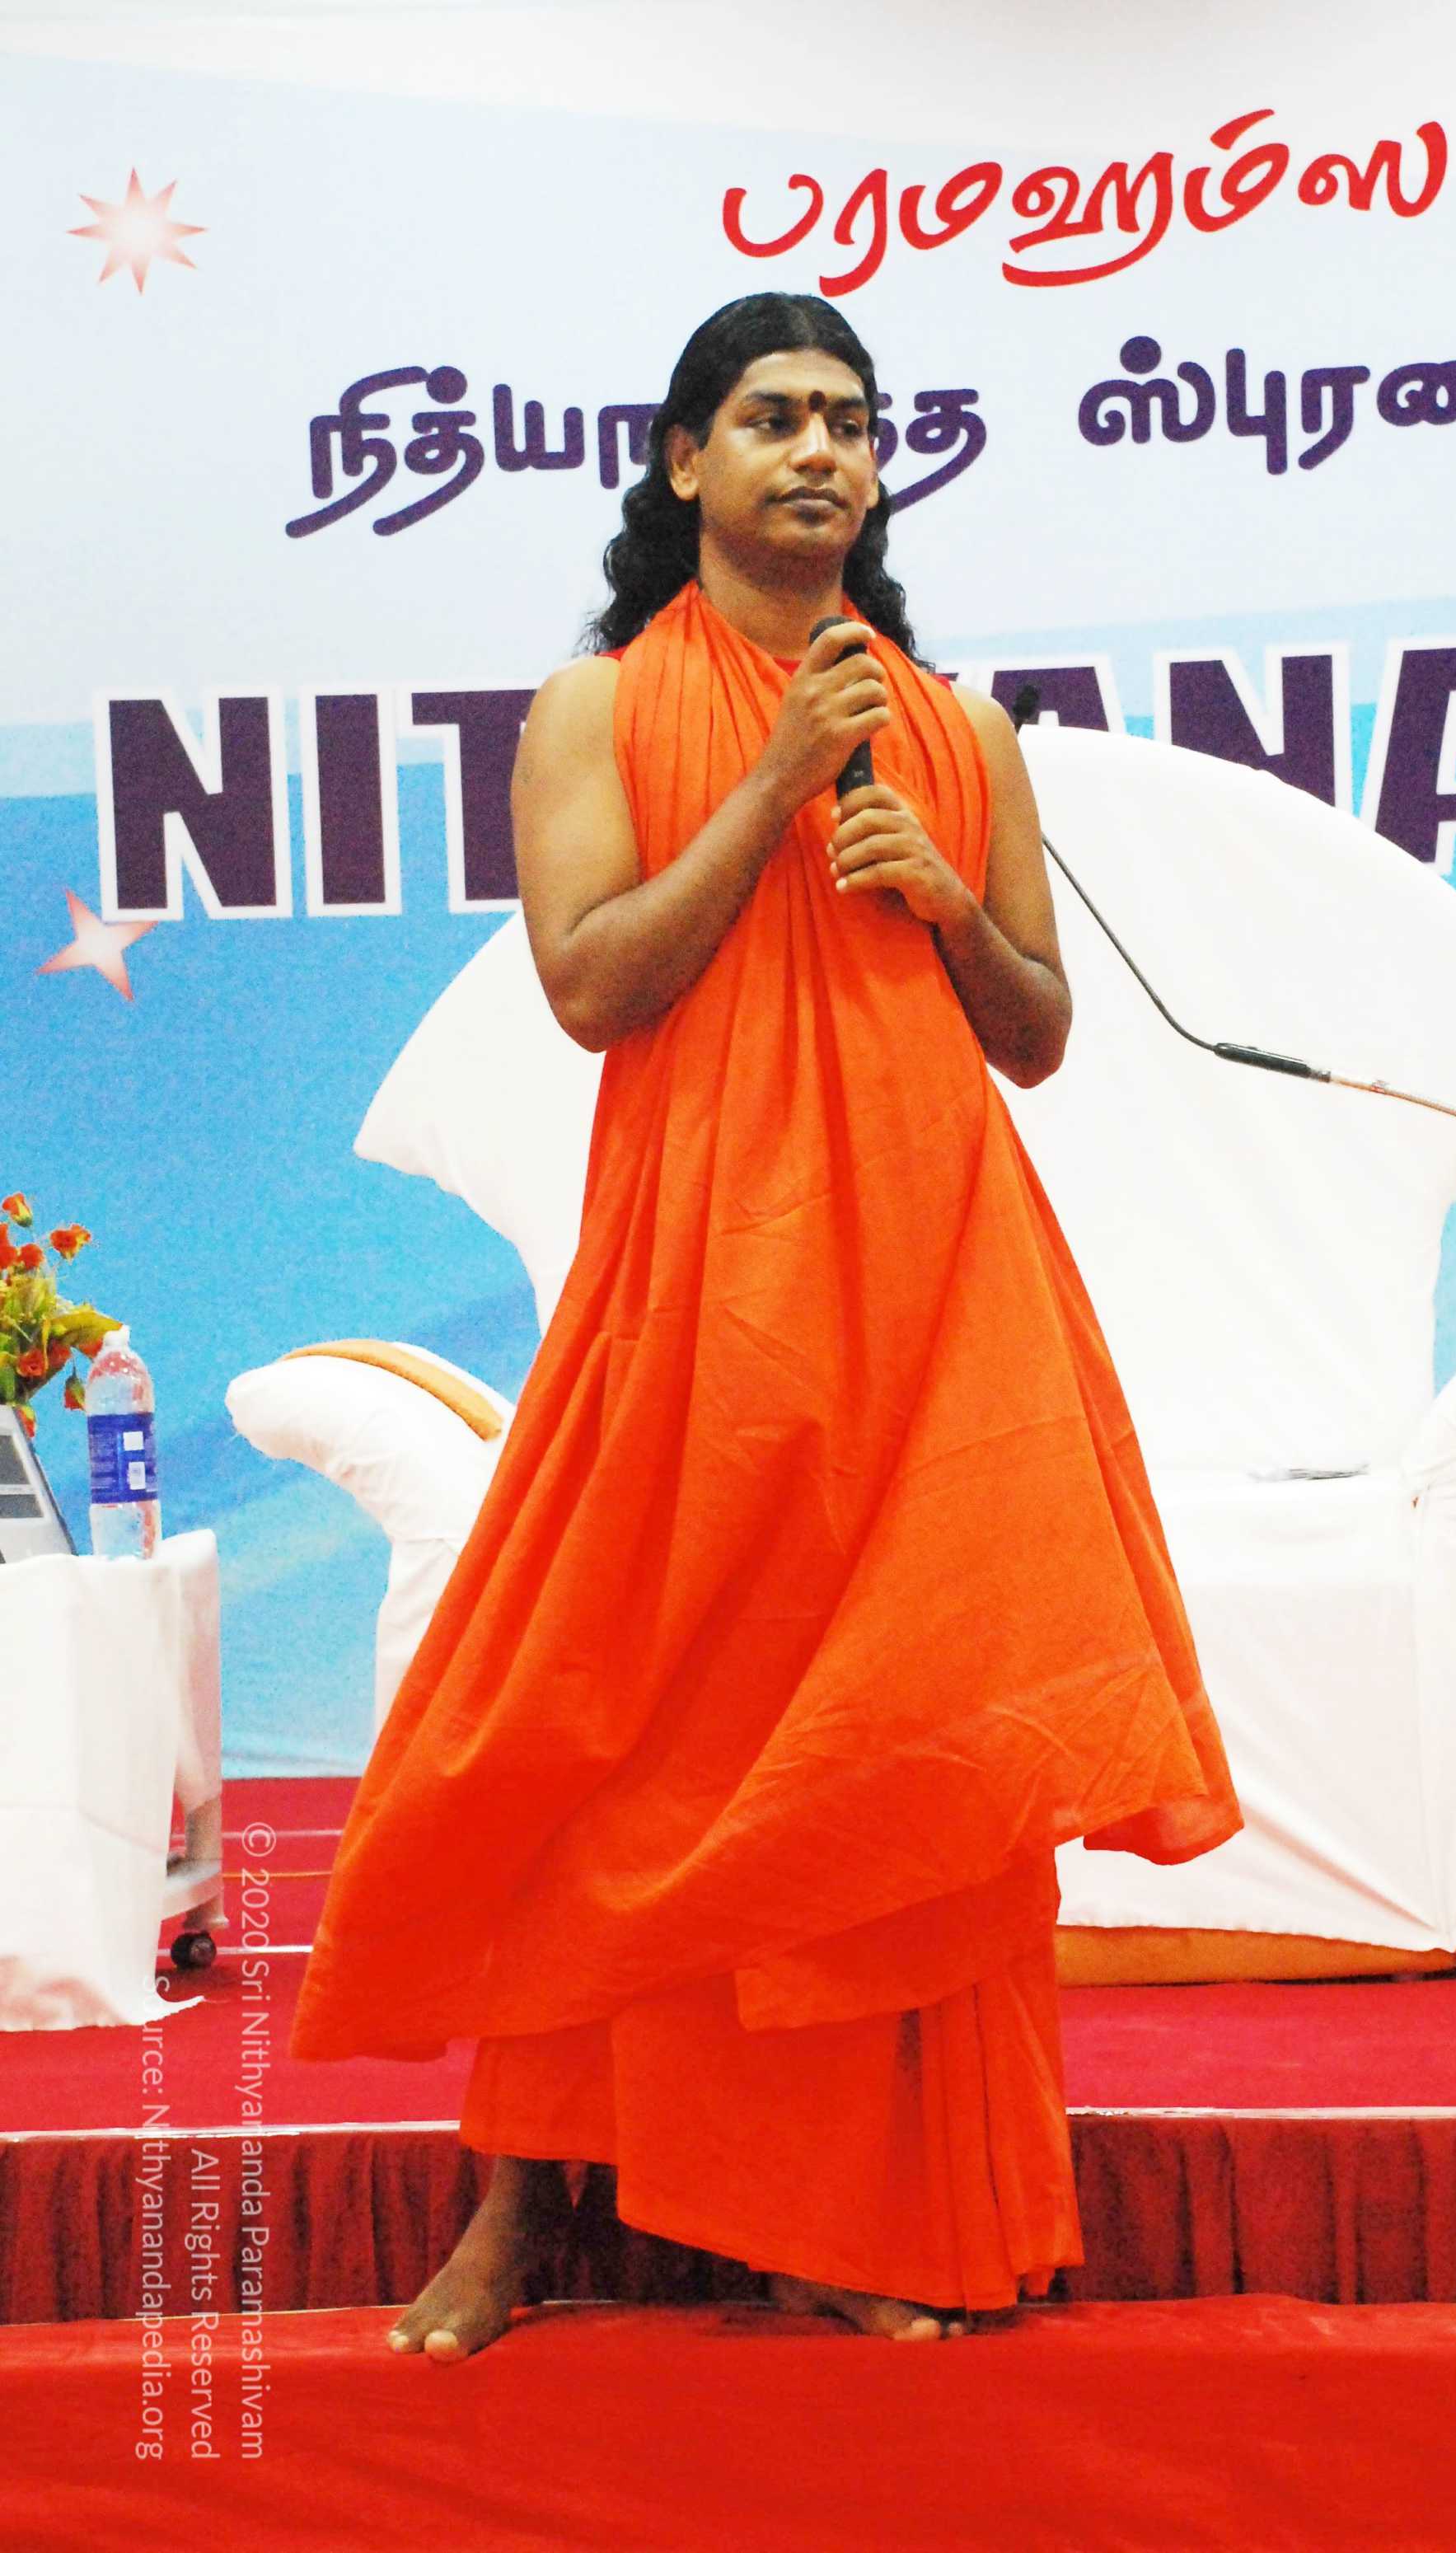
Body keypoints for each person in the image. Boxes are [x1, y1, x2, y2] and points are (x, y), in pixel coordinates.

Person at [292, 293, 1239, 2351]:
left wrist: (945, 897)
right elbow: (593, 984)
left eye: (848, 421)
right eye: (771, 416)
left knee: (897, 1753)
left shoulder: (959, 731)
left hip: (936, 1283)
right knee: (614, 1727)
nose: (818, 450)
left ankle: (844, 2209)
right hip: (700, 1274)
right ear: (683, 461)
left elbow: (1036, 1033)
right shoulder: (596, 706)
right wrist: (776, 784)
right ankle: (522, 2204)